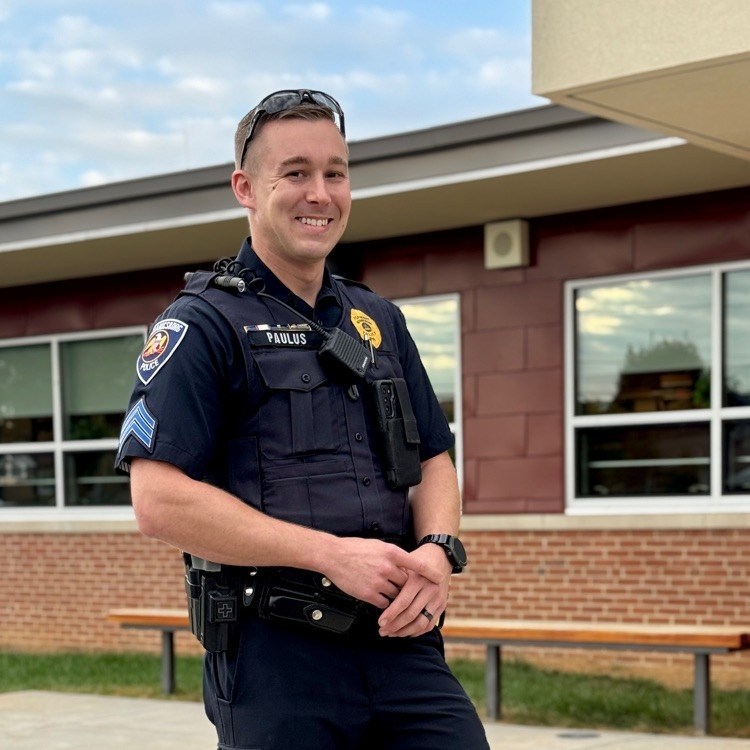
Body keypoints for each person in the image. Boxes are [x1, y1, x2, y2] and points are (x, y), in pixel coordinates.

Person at [116, 88, 489, 750]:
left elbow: (434, 458)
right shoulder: (201, 325)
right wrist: (328, 555)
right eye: (295, 173)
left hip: (402, 643)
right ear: (246, 187)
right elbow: (157, 499)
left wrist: (437, 551)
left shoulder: (378, 321)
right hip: (276, 660)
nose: (320, 193)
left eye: (335, 173)